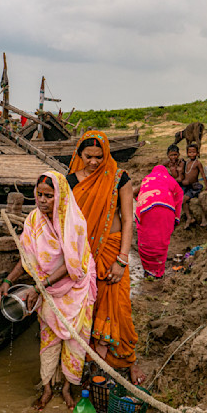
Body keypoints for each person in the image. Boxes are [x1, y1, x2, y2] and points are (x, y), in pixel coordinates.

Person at [0, 172, 97, 410]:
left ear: (60, 196)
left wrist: (39, 287)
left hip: (76, 290)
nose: (42, 200)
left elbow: (73, 266)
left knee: (75, 340)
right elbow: (27, 259)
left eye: (49, 196)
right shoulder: (33, 221)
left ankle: (67, 387)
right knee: (48, 340)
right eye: (39, 195)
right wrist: (8, 281)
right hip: (46, 290)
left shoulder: (74, 223)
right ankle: (48, 387)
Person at [66, 131, 146, 385]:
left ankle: (128, 360)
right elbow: (65, 224)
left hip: (112, 251)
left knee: (119, 307)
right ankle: (89, 365)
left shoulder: (119, 178)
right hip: (82, 256)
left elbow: (127, 222)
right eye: (88, 157)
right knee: (87, 309)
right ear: (79, 155)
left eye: (99, 157)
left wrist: (122, 260)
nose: (93, 162)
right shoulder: (69, 182)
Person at [135, 165, 183, 279]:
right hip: (166, 210)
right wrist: (176, 217)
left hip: (146, 210)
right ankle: (158, 272)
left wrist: (140, 202)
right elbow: (179, 195)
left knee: (146, 240)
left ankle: (148, 271)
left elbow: (134, 192)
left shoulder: (147, 179)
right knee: (161, 241)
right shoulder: (170, 180)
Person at [180, 143, 207, 228]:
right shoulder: (185, 163)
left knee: (184, 200)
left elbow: (203, 174)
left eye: (194, 152)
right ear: (187, 153)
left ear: (197, 153)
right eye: (190, 152)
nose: (192, 154)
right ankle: (189, 217)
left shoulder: (197, 163)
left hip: (194, 186)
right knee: (180, 199)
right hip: (186, 187)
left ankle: (192, 218)